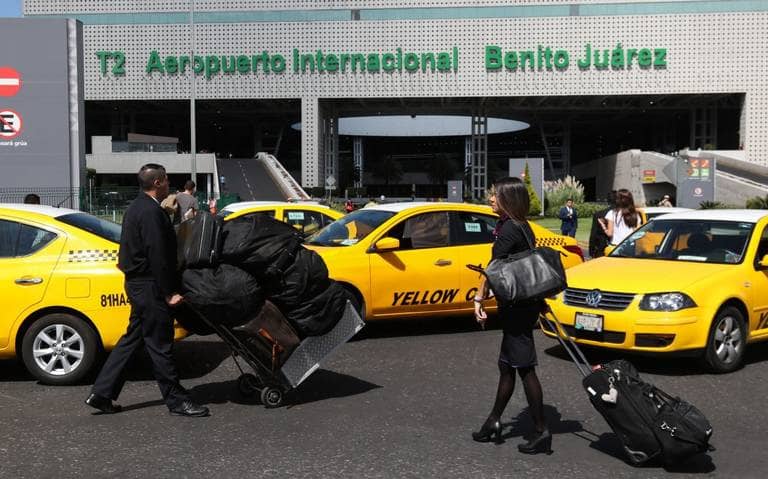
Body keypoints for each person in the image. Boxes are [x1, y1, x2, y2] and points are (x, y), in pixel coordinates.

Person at [85, 163, 209, 418]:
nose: (168, 185)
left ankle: (102, 393)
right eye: (165, 181)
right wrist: (168, 292)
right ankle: (176, 401)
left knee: (132, 339)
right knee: (160, 344)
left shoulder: (135, 208)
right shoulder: (151, 213)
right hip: (151, 287)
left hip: (138, 285)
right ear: (157, 183)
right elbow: (158, 256)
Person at [472, 177, 551, 454]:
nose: (491, 200)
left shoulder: (508, 230)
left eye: (495, 196)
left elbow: (494, 268)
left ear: (508, 201)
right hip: (523, 305)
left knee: (525, 368)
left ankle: (541, 430)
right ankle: (493, 421)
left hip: (517, 310)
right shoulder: (522, 226)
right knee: (507, 366)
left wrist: (479, 298)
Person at [588, 190, 617, 258]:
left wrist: (591, 249)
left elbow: (594, 233)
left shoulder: (599, 214)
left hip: (602, 247)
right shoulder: (625, 214)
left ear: (607, 200)